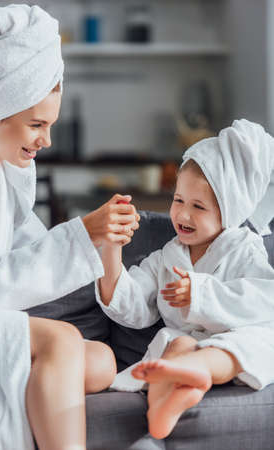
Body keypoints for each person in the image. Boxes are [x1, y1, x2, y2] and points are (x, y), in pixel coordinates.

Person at [0, 4, 139, 450]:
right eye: (36, 124)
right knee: (63, 339)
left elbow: (32, 257)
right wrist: (83, 235)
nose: (46, 140)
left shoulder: (8, 181)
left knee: (101, 360)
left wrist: (102, 243)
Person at [95, 119, 274, 440]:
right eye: (178, 200)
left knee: (229, 348)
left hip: (239, 344)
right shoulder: (168, 256)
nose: (183, 215)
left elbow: (266, 298)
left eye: (198, 206)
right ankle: (165, 410)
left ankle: (196, 371)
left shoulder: (244, 248)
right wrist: (111, 249)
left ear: (228, 211)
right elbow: (131, 306)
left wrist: (202, 296)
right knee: (175, 344)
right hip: (189, 346)